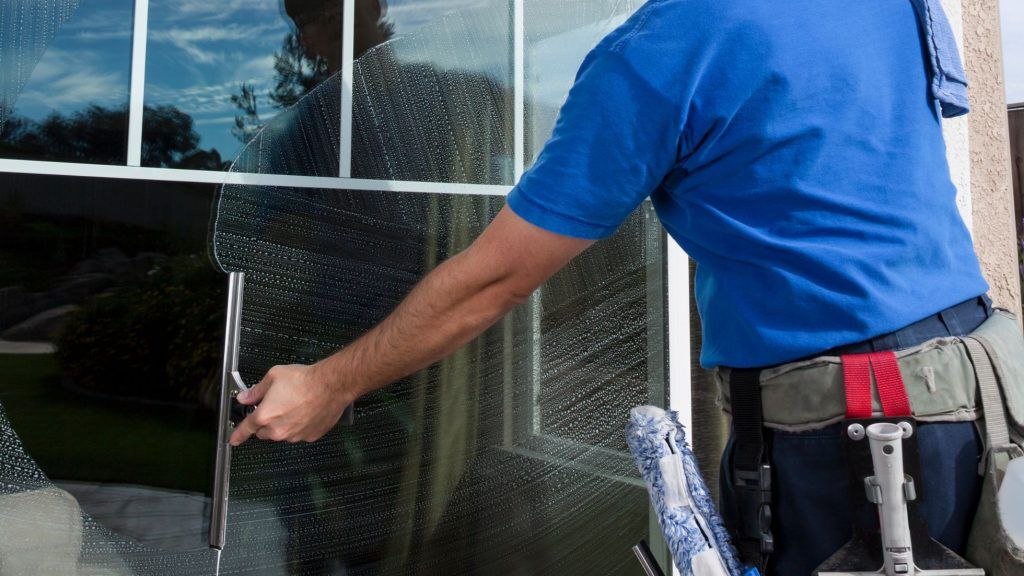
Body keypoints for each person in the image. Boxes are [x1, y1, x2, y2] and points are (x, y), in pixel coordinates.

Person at [228, 1, 1004, 574]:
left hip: (856, 431)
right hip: (975, 387)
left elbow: (495, 279)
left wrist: (331, 381)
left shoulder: (662, 50)